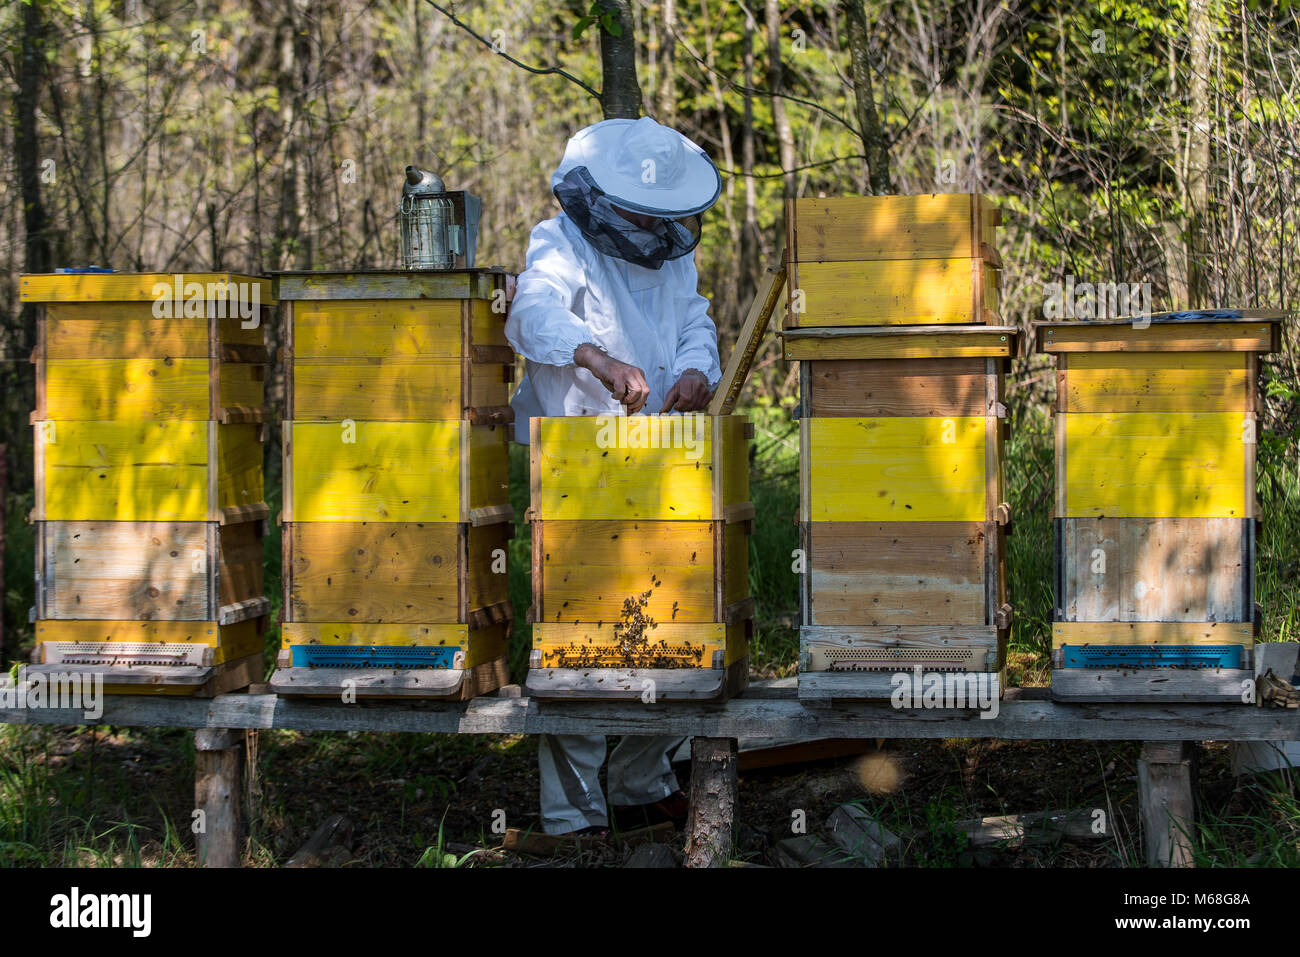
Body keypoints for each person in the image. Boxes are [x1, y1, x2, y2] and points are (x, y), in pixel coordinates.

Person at [505, 116, 723, 836]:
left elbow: (696, 319)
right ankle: (574, 815)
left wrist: (696, 370)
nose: (649, 225)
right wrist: (596, 358)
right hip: (578, 455)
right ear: (601, 198)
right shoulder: (559, 240)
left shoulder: (671, 252)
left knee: (671, 626)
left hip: (663, 451)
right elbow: (532, 311)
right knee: (582, 635)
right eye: (637, 211)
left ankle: (640, 783)